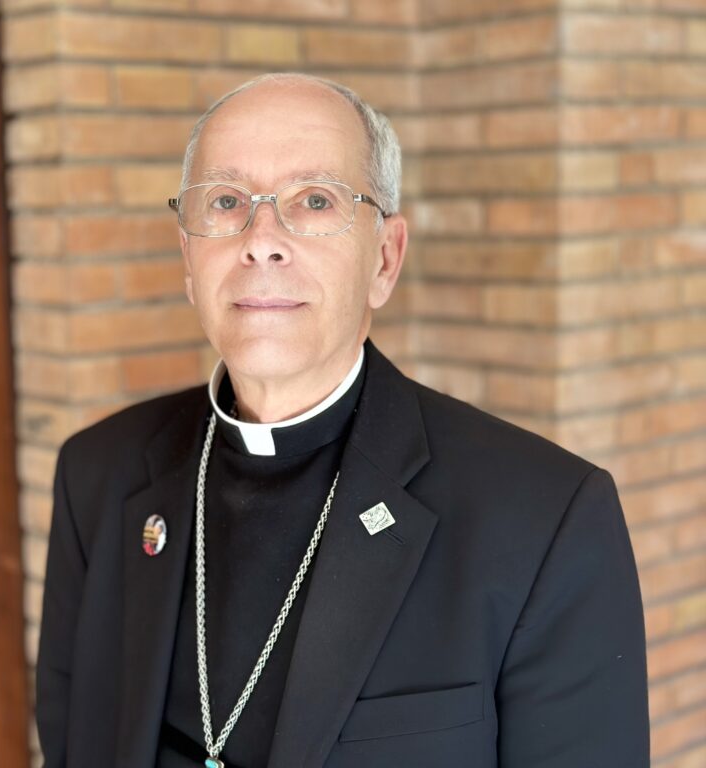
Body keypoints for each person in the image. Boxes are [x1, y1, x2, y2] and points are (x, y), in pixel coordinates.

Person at [35, 72, 650, 768]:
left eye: (315, 200)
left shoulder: (544, 520)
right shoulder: (97, 474)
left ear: (384, 259)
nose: (260, 241)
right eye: (228, 201)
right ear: (187, 260)